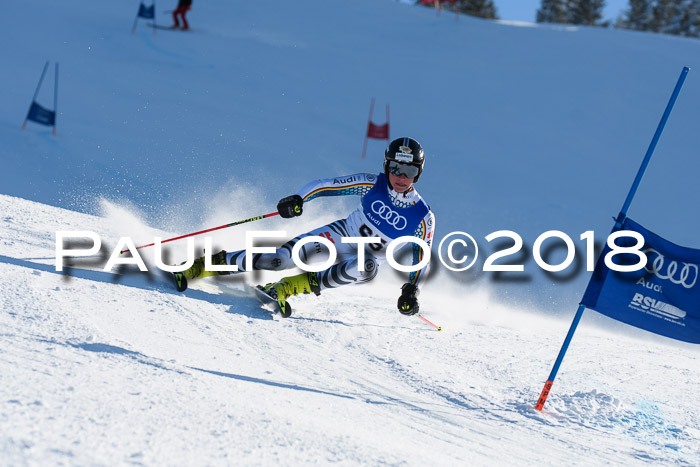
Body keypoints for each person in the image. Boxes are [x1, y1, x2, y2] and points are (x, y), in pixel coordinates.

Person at [174, 137, 436, 317]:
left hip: (363, 261)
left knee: (367, 268)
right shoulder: (372, 183)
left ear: (419, 173)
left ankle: (287, 288)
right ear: (386, 166)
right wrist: (299, 198)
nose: (401, 176)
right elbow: (329, 185)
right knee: (278, 259)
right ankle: (205, 265)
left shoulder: (423, 217)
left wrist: (411, 290)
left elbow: (421, 259)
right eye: (396, 168)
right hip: (339, 236)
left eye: (409, 170)